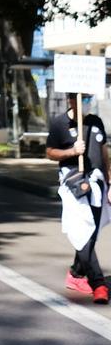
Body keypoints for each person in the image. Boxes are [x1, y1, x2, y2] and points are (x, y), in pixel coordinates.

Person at [47, 95, 111, 303]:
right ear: (70, 100)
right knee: (81, 228)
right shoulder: (59, 124)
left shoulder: (95, 121)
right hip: (73, 183)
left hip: (97, 183)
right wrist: (72, 151)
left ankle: (76, 274)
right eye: (80, 98)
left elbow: (104, 152)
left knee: (91, 232)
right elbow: (49, 152)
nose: (85, 102)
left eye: (87, 97)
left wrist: (110, 181)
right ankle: (98, 284)